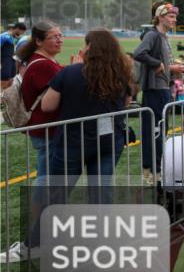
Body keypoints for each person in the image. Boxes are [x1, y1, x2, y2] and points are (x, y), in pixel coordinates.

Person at [42, 28, 132, 205]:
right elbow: (126, 102)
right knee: (101, 194)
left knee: (57, 195)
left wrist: (74, 69)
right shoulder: (123, 72)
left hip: (73, 141)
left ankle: (46, 231)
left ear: (90, 47)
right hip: (109, 139)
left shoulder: (71, 72)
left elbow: (47, 105)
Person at [19, 20, 65, 248]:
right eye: (54, 36)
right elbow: (60, 92)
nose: (60, 39)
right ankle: (39, 228)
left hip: (46, 129)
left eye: (61, 35)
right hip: (46, 130)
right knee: (46, 179)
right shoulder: (42, 65)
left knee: (48, 178)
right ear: (39, 41)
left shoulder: (43, 62)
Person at [133, 2, 184, 184]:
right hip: (155, 90)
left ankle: (154, 171)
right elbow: (139, 53)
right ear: (160, 17)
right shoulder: (153, 35)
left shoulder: (163, 37)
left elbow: (161, 64)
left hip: (163, 88)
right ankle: (151, 173)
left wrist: (172, 68)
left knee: (159, 131)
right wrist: (157, 64)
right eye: (171, 16)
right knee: (155, 132)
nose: (174, 20)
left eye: (175, 16)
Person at [1, 22, 27, 90]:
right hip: (5, 59)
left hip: (12, 59)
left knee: (12, 76)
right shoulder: (4, 36)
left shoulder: (14, 37)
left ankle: (8, 95)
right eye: (22, 32)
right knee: (5, 76)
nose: (22, 34)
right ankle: (2, 95)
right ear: (18, 29)